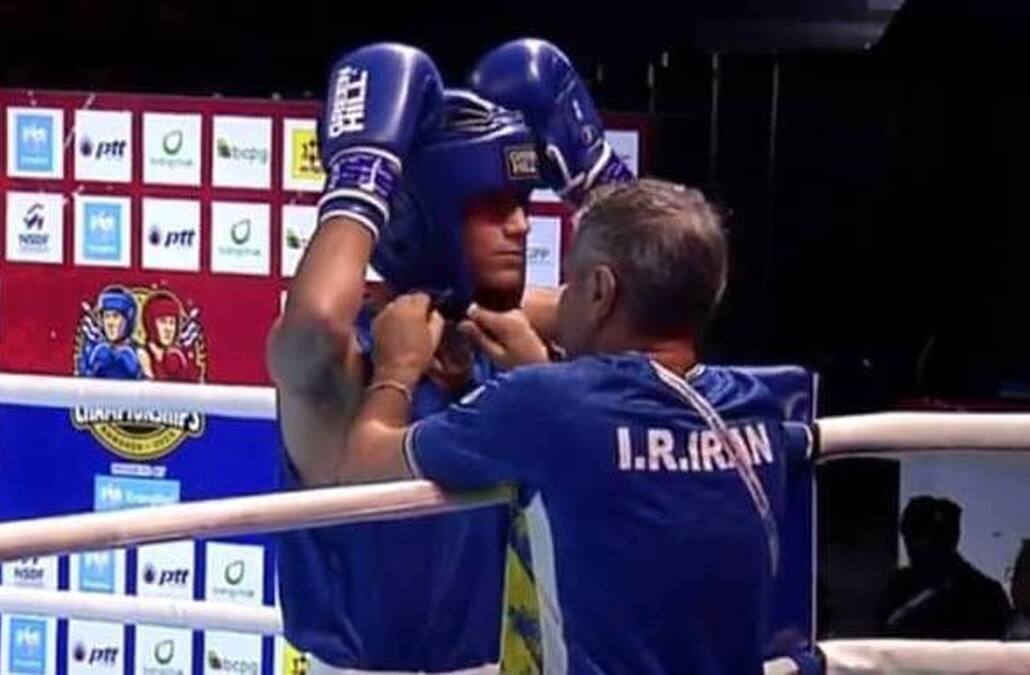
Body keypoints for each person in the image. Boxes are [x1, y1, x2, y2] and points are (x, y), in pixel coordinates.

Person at [326, 178, 812, 675]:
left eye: (570, 283)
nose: (561, 299)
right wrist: (532, 359)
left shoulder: (549, 404)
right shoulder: (758, 408)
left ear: (600, 290)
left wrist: (397, 368)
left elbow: (363, 463)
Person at [267, 40, 631, 673]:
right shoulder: (346, 364)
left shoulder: (502, 328)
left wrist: (598, 181)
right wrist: (362, 178)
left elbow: (646, 298)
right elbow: (312, 325)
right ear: (420, 217)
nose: (521, 226)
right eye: (492, 208)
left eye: (522, 203)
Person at [878, 496, 1012, 640]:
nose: (915, 545)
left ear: (953, 538)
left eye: (933, 536)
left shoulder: (985, 595)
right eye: (912, 535)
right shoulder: (897, 588)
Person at [79, 286, 143, 380]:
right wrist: (91, 368)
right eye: (107, 317)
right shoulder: (92, 349)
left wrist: (137, 371)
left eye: (115, 317)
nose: (110, 323)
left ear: (128, 320)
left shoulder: (139, 353)